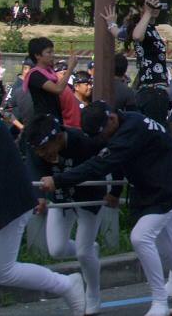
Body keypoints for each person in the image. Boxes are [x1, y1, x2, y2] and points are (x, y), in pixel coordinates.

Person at [40, 101, 172, 316]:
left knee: (141, 238)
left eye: (101, 134)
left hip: (168, 189)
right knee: (168, 247)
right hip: (156, 188)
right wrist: (115, 191)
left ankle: (160, 301)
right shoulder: (128, 122)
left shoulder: (131, 130)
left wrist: (58, 180)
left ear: (111, 119)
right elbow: (115, 160)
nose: (101, 140)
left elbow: (101, 164)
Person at [25, 114, 117, 315]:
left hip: (89, 196)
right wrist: (39, 196)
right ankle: (91, 249)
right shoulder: (37, 149)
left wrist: (115, 192)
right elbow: (34, 168)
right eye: (38, 151)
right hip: (60, 198)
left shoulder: (84, 141)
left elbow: (112, 160)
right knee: (57, 249)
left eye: (44, 149)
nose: (42, 154)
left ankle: (93, 293)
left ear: (58, 137)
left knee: (83, 252)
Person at [0, 123, 86, 316]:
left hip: (8, 201)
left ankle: (66, 284)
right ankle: (66, 284)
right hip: (11, 197)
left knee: (4, 270)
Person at [103, 0, 171, 126]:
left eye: (156, 2)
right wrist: (147, 13)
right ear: (140, 7)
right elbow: (137, 36)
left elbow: (121, 35)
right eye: (149, 2)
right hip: (152, 91)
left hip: (156, 91)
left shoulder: (151, 29)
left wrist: (111, 24)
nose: (154, 6)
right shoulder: (141, 28)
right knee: (155, 130)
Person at [23, 37, 77, 125]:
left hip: (55, 119)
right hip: (44, 122)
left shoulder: (50, 72)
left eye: (53, 52)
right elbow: (58, 89)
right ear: (37, 55)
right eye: (49, 52)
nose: (53, 55)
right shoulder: (35, 75)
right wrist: (70, 68)